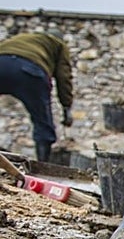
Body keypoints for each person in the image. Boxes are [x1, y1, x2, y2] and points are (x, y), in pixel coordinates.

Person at [0, 31, 74, 162]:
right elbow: (64, 76)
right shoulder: (59, 45)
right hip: (29, 72)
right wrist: (66, 106)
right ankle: (42, 165)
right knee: (42, 121)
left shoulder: (20, 37)